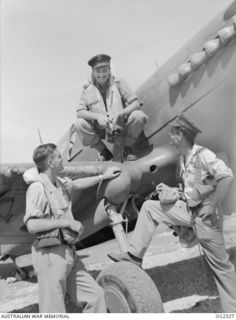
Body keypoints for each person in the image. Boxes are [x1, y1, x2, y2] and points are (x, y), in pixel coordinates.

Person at [108, 113, 236, 312]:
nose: (169, 138)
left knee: (222, 269)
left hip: (207, 218)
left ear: (182, 135)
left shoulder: (203, 154)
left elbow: (226, 176)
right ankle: (134, 255)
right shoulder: (184, 158)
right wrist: (175, 193)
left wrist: (213, 204)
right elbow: (192, 189)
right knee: (150, 208)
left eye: (173, 134)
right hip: (191, 212)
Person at [23, 143, 121, 313]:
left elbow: (77, 184)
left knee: (95, 296)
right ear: (51, 163)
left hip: (69, 253)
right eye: (59, 157)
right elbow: (31, 225)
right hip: (50, 256)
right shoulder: (37, 188)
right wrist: (66, 223)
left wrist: (102, 177)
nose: (63, 160)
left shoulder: (59, 183)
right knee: (53, 311)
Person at [74, 54, 148, 161]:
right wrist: (98, 117)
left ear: (109, 70)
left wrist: (121, 113)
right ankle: (103, 151)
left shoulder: (118, 83)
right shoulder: (87, 89)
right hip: (102, 129)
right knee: (79, 124)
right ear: (93, 72)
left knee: (139, 116)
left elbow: (135, 103)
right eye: (98, 72)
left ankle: (127, 147)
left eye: (104, 71)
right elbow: (80, 112)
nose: (101, 75)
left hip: (119, 125)